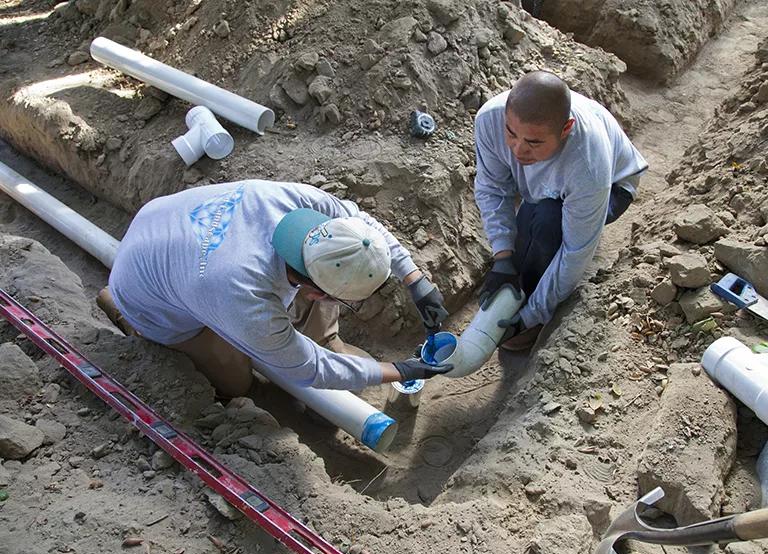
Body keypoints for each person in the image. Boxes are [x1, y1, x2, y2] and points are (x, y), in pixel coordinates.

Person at [97, 179, 451, 398]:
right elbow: (306, 368)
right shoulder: (243, 293)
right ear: (318, 293)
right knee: (236, 383)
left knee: (295, 337)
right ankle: (120, 309)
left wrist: (416, 281)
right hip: (145, 294)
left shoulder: (303, 209)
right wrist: (400, 371)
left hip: (166, 226)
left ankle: (317, 339)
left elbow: (363, 229)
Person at [474, 70, 648, 351]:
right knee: (526, 236)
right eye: (511, 133)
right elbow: (492, 189)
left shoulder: (587, 165)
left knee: (547, 222)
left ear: (565, 129)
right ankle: (517, 283)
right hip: (546, 187)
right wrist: (503, 257)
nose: (518, 149)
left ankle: (531, 314)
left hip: (614, 186)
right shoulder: (491, 119)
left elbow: (575, 250)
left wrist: (529, 317)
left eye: (534, 142)